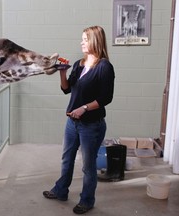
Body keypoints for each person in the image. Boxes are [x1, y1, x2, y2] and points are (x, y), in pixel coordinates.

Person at [43, 26, 115, 214]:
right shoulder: (78, 64)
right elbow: (67, 89)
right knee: (67, 159)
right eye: (81, 39)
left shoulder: (104, 67)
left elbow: (106, 98)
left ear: (95, 41)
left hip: (92, 125)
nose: (81, 42)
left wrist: (84, 108)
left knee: (88, 166)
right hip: (72, 123)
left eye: (85, 39)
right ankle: (61, 190)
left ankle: (87, 200)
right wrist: (62, 72)